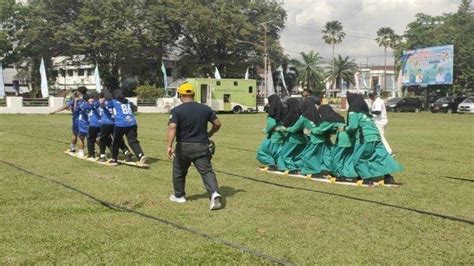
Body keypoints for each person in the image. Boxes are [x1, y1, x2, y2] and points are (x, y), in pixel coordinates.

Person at [167, 83, 222, 210]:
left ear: (180, 95)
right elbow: (217, 124)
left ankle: (179, 196)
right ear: (194, 94)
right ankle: (214, 193)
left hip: (183, 146)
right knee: (207, 172)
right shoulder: (205, 109)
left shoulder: (176, 111)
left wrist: (169, 146)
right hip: (201, 145)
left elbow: (172, 127)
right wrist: (210, 133)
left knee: (179, 171)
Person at [340, 93, 403, 184]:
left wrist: (345, 128)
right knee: (379, 157)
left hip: (364, 137)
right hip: (376, 136)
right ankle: (388, 177)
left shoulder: (353, 112)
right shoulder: (366, 114)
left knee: (358, 158)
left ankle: (367, 178)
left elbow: (353, 127)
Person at [106, 89, 147, 165]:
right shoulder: (127, 101)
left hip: (120, 124)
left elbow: (105, 106)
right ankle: (140, 155)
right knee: (133, 141)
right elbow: (135, 108)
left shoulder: (113, 102)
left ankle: (114, 159)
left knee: (116, 142)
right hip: (132, 123)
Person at [49, 86, 88, 153]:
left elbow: (65, 106)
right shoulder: (87, 100)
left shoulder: (75, 100)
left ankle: (73, 149)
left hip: (77, 120)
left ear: (78, 92)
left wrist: (55, 111)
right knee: (90, 136)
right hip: (87, 121)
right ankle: (94, 150)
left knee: (75, 134)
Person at [97, 90, 132, 162]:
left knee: (103, 140)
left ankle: (102, 156)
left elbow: (102, 106)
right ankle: (126, 152)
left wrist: (101, 101)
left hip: (106, 123)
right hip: (115, 123)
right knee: (118, 140)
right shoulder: (115, 101)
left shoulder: (104, 102)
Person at [276, 98, 308, 173]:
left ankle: (290, 168)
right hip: (303, 139)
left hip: (293, 138)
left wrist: (280, 129)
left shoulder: (291, 115)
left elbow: (289, 129)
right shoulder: (301, 115)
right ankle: (299, 167)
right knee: (297, 155)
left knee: (284, 154)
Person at [256, 94, 285, 171]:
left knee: (262, 151)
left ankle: (271, 165)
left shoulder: (272, 112)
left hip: (274, 136)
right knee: (277, 152)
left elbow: (272, 124)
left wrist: (266, 130)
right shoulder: (283, 111)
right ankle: (280, 166)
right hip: (281, 136)